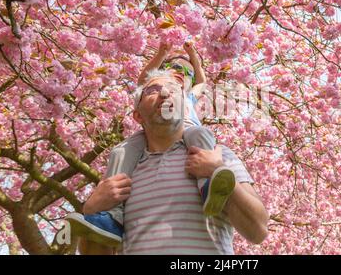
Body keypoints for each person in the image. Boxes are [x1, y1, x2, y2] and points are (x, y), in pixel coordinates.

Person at [65, 42, 237, 247]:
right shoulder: (154, 88)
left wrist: (193, 57)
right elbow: (143, 78)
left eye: (187, 72)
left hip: (187, 132)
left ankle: (208, 187)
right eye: (176, 68)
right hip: (150, 135)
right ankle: (111, 217)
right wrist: (161, 53)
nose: (181, 73)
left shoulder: (188, 96)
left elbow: (202, 81)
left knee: (202, 135)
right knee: (121, 151)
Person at [77, 72, 269, 254]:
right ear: (137, 115)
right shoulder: (122, 173)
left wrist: (217, 171)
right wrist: (91, 210)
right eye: (152, 91)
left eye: (174, 89)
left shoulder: (218, 155)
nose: (164, 93)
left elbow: (258, 231)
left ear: (184, 106)